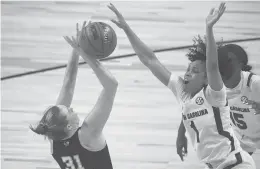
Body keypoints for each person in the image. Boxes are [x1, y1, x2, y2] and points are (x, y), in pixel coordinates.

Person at [108, 2, 256, 168]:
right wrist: (126, 28)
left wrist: (209, 28)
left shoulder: (214, 95)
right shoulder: (182, 92)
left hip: (236, 163)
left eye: (194, 71)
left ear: (206, 78)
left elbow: (213, 66)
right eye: (187, 69)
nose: (187, 73)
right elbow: (150, 60)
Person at [29, 21, 118, 169]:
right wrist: (85, 54)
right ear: (69, 125)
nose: (72, 109)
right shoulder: (88, 135)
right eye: (69, 111)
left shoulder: (54, 139)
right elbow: (111, 86)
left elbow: (68, 83)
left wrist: (77, 48)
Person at [176, 39, 260, 161]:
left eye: (228, 61)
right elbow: (193, 106)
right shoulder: (216, 87)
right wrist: (181, 133)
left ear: (240, 65)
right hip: (241, 138)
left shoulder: (254, 84)